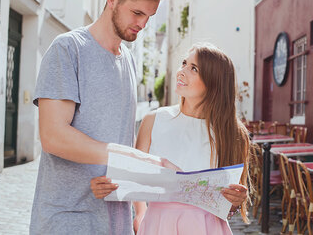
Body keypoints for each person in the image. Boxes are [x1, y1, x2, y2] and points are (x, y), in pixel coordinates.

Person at [30, 0, 167, 235]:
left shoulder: (128, 60)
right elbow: (53, 136)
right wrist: (130, 158)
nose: (142, 24)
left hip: (115, 220)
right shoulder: (68, 49)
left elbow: (119, 140)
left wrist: (139, 209)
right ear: (112, 0)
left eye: (149, 16)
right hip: (68, 219)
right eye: (137, 12)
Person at [91, 43, 251, 235]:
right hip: (158, 225)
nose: (181, 71)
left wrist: (235, 201)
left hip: (208, 228)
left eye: (194, 68)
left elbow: (229, 205)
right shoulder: (153, 120)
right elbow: (133, 178)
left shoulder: (233, 134)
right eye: (184, 63)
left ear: (214, 82)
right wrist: (140, 214)